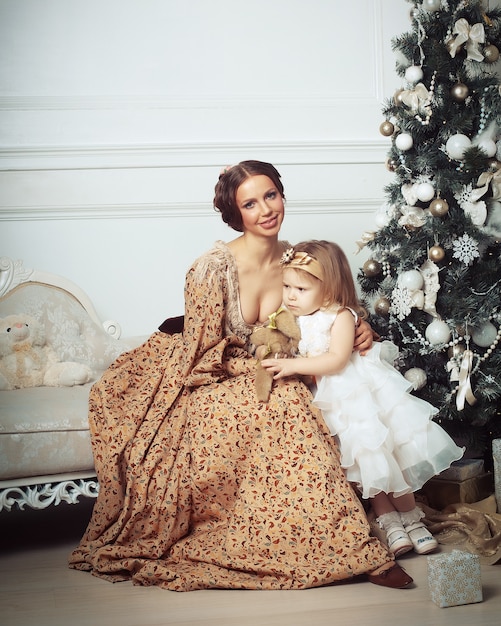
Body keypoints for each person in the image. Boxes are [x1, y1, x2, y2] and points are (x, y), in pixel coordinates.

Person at [69, 161, 412, 590]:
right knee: (285, 400)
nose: (266, 209)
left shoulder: (296, 258)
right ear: (236, 214)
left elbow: (326, 308)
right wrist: (266, 369)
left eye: (271, 195)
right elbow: (202, 358)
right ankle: (352, 551)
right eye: (250, 203)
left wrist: (358, 326)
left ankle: (356, 535)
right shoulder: (212, 268)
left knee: (308, 393)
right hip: (200, 366)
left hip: (267, 367)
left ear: (282, 195)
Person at [261, 240, 464, 558]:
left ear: (328, 290)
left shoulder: (339, 316)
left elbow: (336, 360)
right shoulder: (296, 319)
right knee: (364, 469)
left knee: (386, 460)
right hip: (335, 408)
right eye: (286, 286)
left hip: (361, 402)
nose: (290, 295)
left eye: (300, 289)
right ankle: (388, 522)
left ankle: (412, 520)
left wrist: (292, 365)